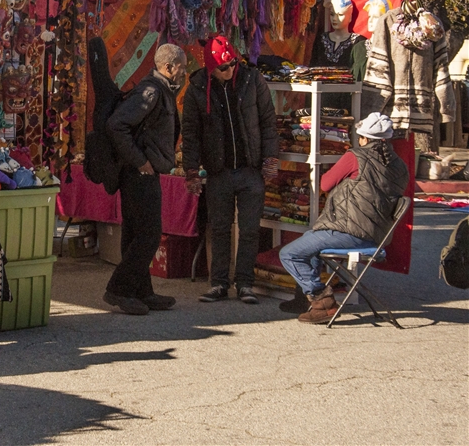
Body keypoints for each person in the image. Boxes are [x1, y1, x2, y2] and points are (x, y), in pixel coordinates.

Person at [279, 112, 408, 323]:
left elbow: (325, 184)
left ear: (363, 139)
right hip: (378, 236)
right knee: (311, 242)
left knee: (289, 253)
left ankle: (322, 301)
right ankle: (307, 301)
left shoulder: (355, 157)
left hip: (350, 232)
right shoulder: (400, 166)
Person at [182, 35, 279, 305]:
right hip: (218, 170)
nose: (230, 70)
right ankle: (219, 283)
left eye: (233, 64)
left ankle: (245, 283)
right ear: (211, 67)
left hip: (250, 168)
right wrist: (191, 170)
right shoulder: (197, 87)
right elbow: (190, 133)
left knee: (250, 229)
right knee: (220, 228)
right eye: (223, 67)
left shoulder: (252, 79)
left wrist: (270, 158)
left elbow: (268, 121)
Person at [102, 43, 187, 315]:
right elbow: (117, 125)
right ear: (168, 67)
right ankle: (119, 289)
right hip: (138, 173)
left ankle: (141, 291)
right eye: (182, 67)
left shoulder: (162, 90)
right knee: (149, 235)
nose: (184, 72)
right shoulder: (151, 91)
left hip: (141, 172)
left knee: (135, 233)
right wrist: (140, 161)